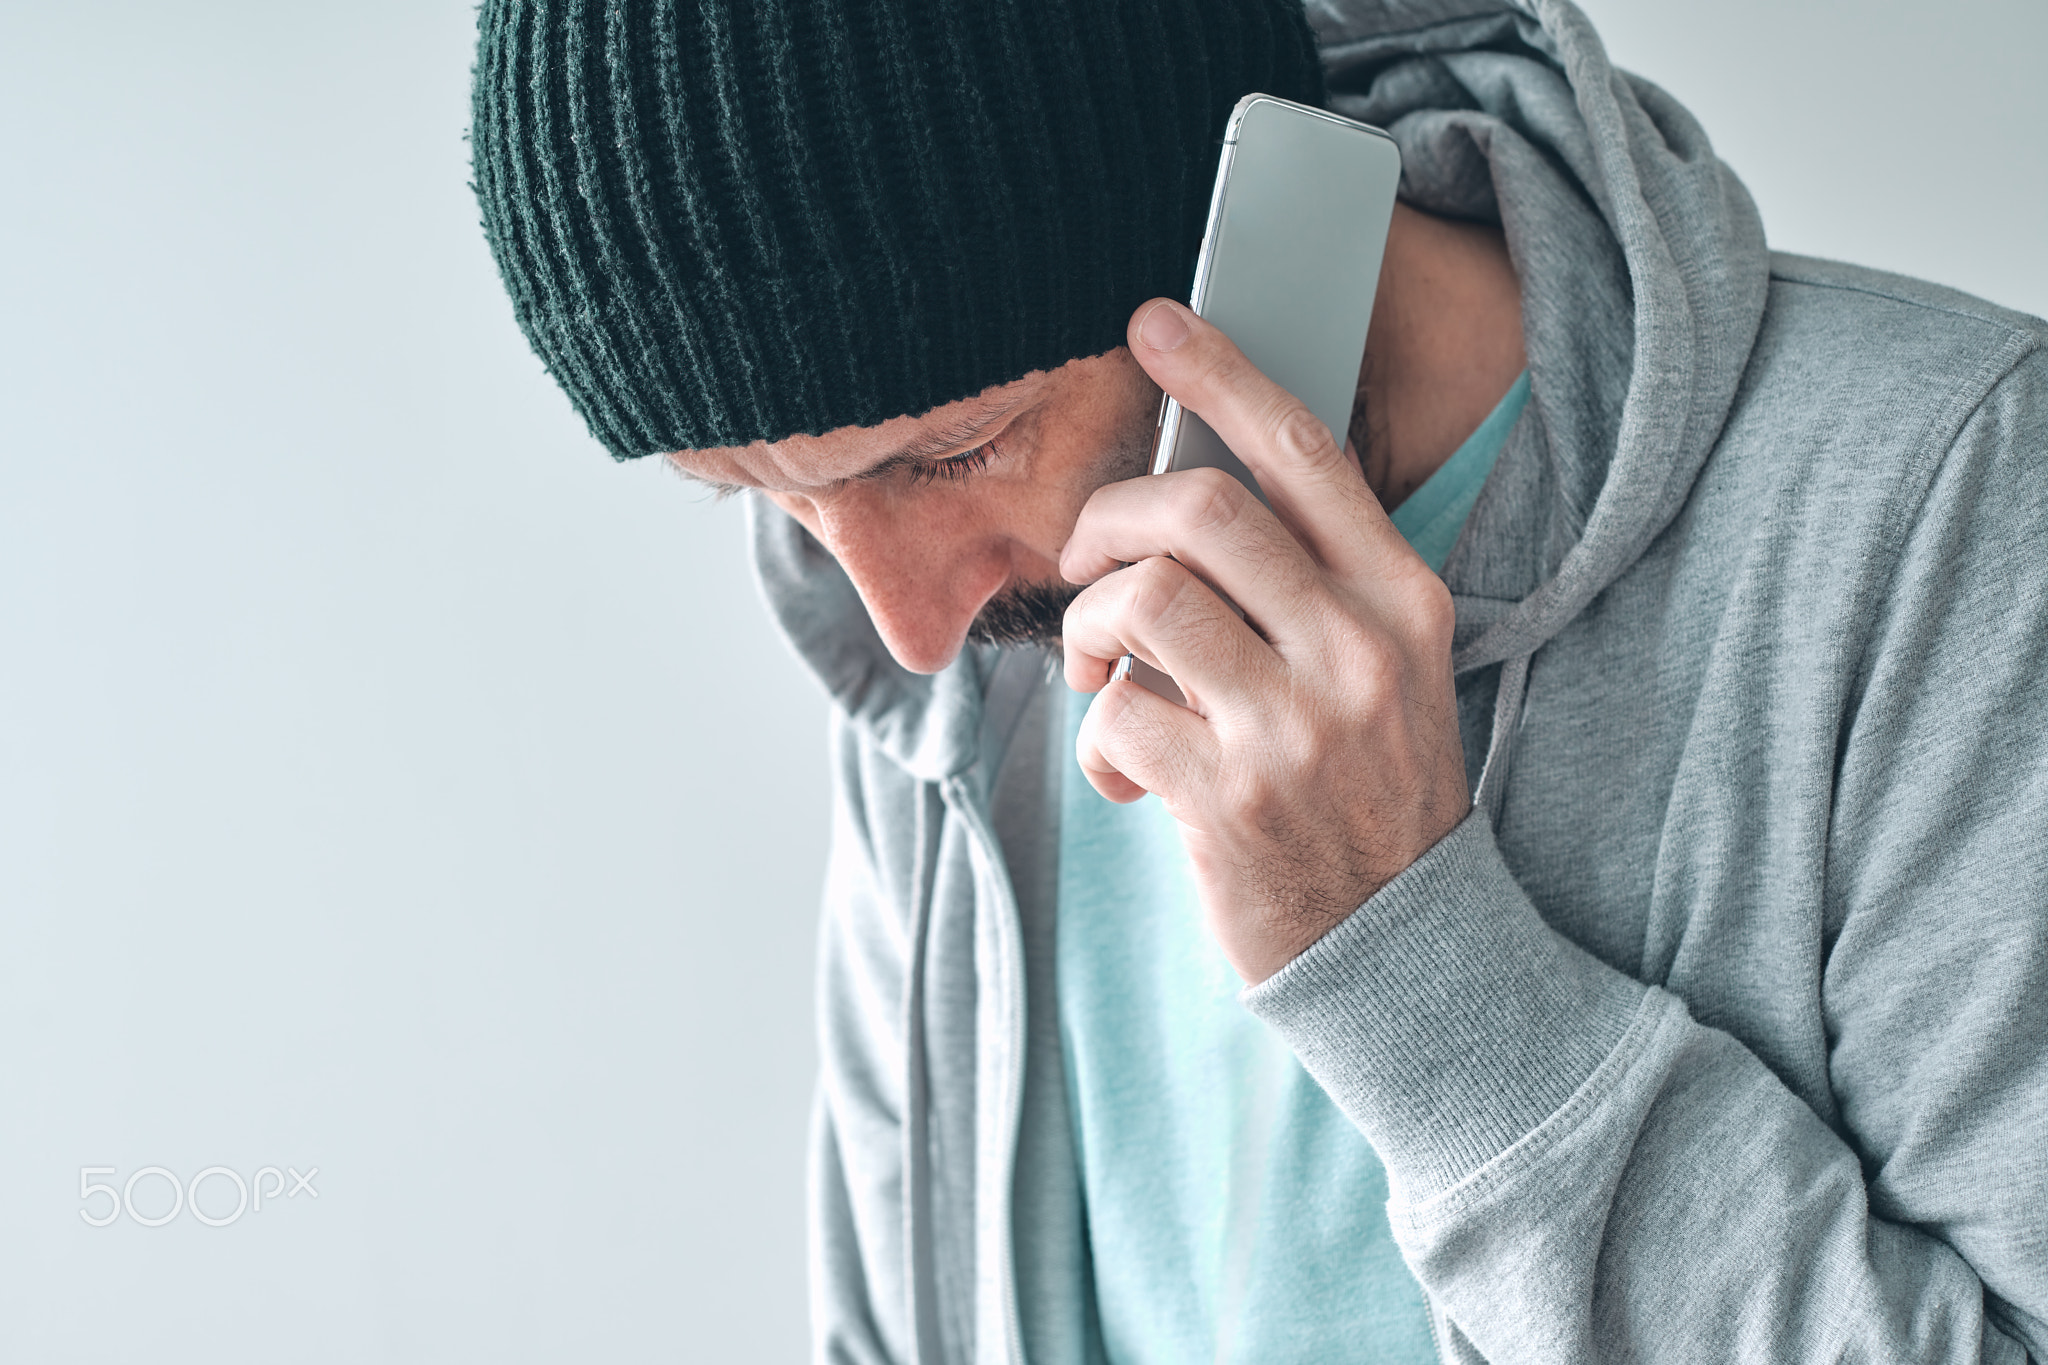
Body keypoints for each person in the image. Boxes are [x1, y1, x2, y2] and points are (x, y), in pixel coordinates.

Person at [469, 0, 2048, 1359]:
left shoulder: (1953, 505)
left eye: (951, 450)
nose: (909, 629)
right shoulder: (966, 646)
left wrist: (1409, 966)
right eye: (768, 497)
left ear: (1249, 222)